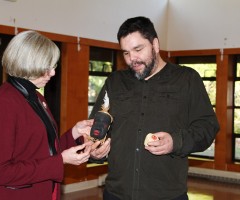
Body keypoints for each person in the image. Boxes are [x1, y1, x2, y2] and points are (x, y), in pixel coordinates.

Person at [89, 16, 220, 200]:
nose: (132, 59)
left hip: (167, 195)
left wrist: (176, 142)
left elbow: (207, 127)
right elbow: (96, 128)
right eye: (125, 53)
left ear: (155, 45)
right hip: (116, 194)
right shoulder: (115, 82)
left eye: (138, 49)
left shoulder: (187, 79)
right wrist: (95, 150)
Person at [0, 30, 94, 200]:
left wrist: (75, 133)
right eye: (46, 68)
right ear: (28, 64)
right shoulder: (4, 103)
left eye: (53, 66)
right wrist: (60, 161)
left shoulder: (36, 97)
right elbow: (1, 172)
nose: (53, 73)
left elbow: (43, 149)